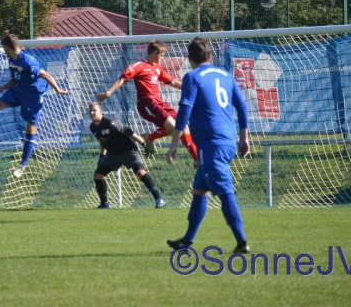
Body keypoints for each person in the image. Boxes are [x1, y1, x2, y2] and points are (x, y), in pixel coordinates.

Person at [165, 37, 251, 254]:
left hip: (210, 144)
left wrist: (174, 143)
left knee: (224, 192)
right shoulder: (225, 75)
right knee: (199, 191)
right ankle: (187, 240)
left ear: (189, 58)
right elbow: (241, 108)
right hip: (227, 140)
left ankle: (241, 242)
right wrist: (244, 138)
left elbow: (184, 111)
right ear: (210, 56)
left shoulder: (192, 77)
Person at [0, 32, 68, 178]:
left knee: (30, 128)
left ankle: (23, 165)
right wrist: (4, 87)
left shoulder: (28, 61)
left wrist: (59, 90)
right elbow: (15, 79)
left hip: (34, 95)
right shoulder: (11, 59)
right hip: (18, 90)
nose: (3, 51)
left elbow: (46, 75)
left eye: (4, 48)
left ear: (8, 48)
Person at [96, 40, 198, 162]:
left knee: (183, 126)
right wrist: (108, 93)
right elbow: (123, 79)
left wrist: (192, 88)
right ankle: (150, 137)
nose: (162, 58)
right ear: (155, 53)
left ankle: (197, 159)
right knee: (173, 126)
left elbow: (172, 82)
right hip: (147, 104)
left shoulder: (157, 68)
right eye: (162, 55)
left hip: (158, 102)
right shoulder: (139, 65)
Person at [89, 102, 165, 209]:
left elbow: (129, 132)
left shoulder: (111, 123)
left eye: (94, 110)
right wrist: (102, 157)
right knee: (98, 175)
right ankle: (104, 204)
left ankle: (159, 198)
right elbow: (102, 141)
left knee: (140, 171)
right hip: (113, 154)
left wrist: (143, 143)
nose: (92, 113)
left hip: (128, 151)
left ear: (100, 112)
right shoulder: (92, 127)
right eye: (90, 111)